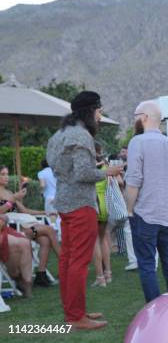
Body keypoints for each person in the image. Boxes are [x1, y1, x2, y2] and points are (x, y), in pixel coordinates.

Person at [46, 91, 123, 329]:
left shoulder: (59, 135)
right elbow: (83, 174)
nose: (100, 116)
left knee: (68, 260)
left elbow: (59, 167)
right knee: (78, 262)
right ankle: (77, 317)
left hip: (64, 204)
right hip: (80, 205)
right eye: (99, 111)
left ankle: (73, 312)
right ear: (90, 111)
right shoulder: (81, 136)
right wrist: (108, 172)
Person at [125, 100, 168, 303]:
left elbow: (133, 181)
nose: (135, 121)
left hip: (145, 214)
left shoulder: (137, 142)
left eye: (135, 117)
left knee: (147, 265)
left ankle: (154, 310)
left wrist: (129, 209)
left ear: (144, 117)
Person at [0, 166, 61, 289]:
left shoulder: (10, 193)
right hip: (17, 231)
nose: (6, 177)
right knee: (48, 230)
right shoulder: (10, 195)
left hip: (27, 228)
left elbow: (25, 210)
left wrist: (44, 212)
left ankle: (41, 275)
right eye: (3, 174)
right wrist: (13, 199)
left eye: (7, 174)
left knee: (45, 240)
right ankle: (65, 262)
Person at [91, 143, 115, 287]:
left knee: (95, 241)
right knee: (103, 239)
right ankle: (108, 274)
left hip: (94, 204)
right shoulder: (105, 166)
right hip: (105, 204)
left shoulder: (89, 168)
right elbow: (119, 182)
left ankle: (100, 277)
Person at [37, 158, 58, 225]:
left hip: (49, 197)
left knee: (51, 218)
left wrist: (41, 191)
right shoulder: (56, 172)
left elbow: (43, 185)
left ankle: (54, 232)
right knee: (59, 217)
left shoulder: (41, 173)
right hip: (58, 197)